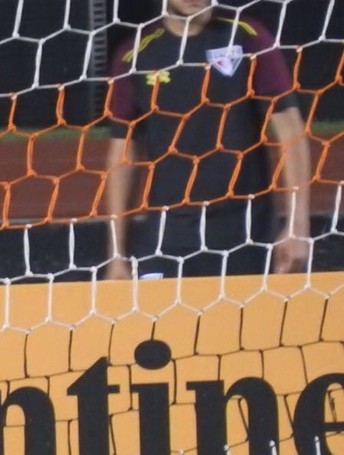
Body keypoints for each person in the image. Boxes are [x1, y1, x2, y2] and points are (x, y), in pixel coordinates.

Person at [103, 0, 311, 279]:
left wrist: (298, 225)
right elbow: (122, 157)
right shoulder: (134, 54)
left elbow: (291, 134)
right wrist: (116, 255)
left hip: (246, 234)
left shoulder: (248, 36)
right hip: (167, 237)